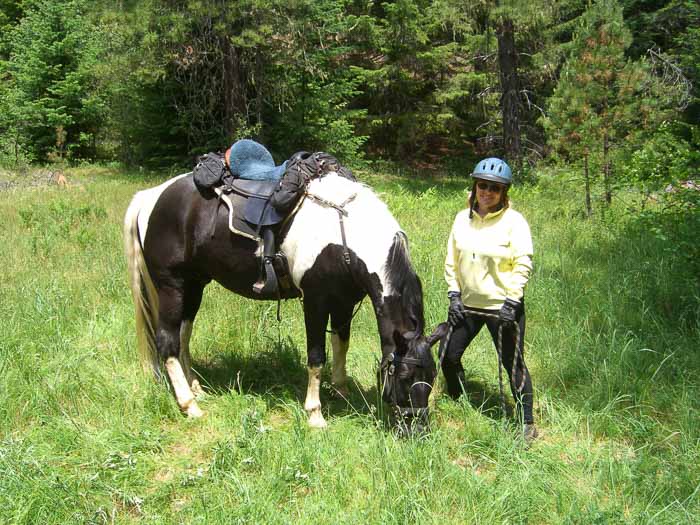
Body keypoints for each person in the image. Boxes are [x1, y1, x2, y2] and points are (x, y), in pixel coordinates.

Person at [442, 157, 537, 443]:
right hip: (467, 305)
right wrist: (454, 294)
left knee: (514, 365)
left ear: (503, 192)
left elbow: (523, 263)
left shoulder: (514, 222)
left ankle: (527, 422)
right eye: (483, 185)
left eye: (495, 188)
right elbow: (452, 260)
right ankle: (458, 398)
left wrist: (512, 301)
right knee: (447, 356)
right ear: (475, 186)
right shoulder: (461, 219)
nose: (487, 192)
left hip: (502, 309)